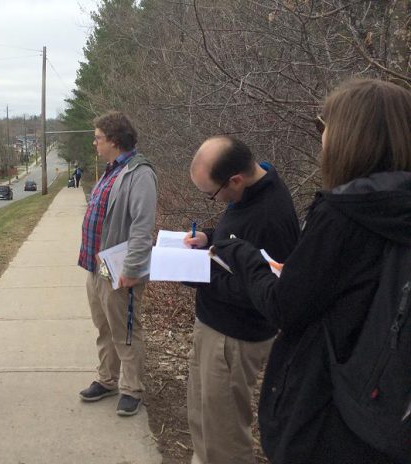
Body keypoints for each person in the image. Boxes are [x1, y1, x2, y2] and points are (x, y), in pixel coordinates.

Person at [213, 79, 411, 463]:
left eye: (324, 127)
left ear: (352, 137)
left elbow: (284, 306)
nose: (322, 138)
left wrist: (242, 252)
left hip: (332, 412)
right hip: (389, 411)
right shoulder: (395, 208)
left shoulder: (343, 213)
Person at [182, 136, 299, 464]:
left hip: (232, 339)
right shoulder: (249, 190)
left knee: (225, 436)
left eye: (211, 195)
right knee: (203, 419)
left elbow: (266, 294)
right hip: (213, 329)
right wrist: (208, 236)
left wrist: (200, 275)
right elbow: (235, 238)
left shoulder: (272, 217)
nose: (213, 201)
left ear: (235, 179)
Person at [77, 111, 157, 416]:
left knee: (125, 329)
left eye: (98, 137)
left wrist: (132, 269)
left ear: (113, 139)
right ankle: (108, 379)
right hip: (96, 265)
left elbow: (142, 226)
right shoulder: (111, 170)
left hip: (120, 267)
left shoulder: (140, 173)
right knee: (104, 327)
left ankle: (132, 388)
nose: (94, 142)